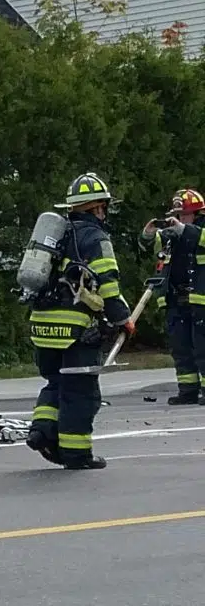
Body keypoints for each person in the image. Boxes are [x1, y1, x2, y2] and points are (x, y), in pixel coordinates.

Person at [28, 171, 134, 469]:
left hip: (43, 327)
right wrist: (122, 319)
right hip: (76, 330)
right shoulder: (96, 238)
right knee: (82, 393)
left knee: (56, 382)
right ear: (98, 207)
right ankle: (76, 454)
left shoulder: (56, 235)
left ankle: (42, 431)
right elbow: (109, 285)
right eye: (103, 207)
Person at [143, 186, 204, 405]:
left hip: (201, 300)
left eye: (184, 215)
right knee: (181, 348)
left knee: (202, 347)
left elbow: (198, 238)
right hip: (175, 299)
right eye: (176, 215)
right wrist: (148, 235)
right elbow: (149, 249)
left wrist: (183, 230)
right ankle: (187, 390)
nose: (179, 219)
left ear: (197, 214)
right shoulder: (171, 236)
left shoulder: (200, 232)